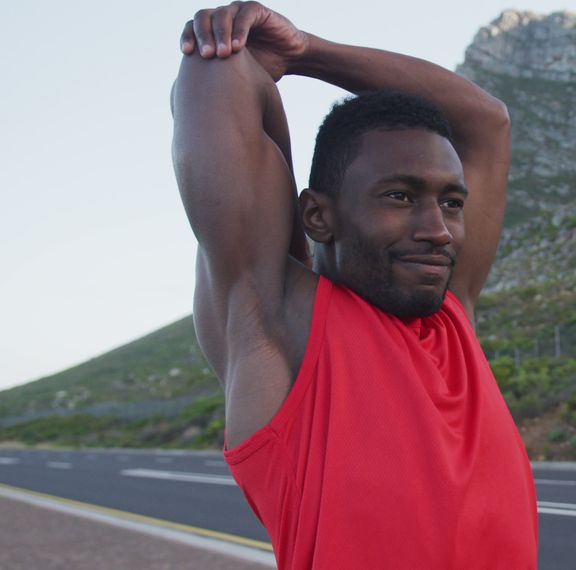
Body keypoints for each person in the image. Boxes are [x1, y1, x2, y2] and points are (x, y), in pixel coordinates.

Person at [170, 2, 538, 568]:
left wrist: (307, 52)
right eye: (399, 196)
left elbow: (486, 121)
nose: (437, 230)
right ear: (318, 217)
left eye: (451, 202)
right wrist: (251, 55)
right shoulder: (274, 322)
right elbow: (223, 70)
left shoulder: (452, 315)